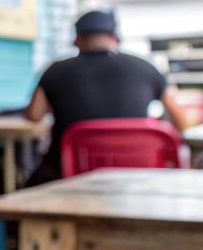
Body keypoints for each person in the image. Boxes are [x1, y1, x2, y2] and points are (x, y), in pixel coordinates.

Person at [22, 10, 192, 184]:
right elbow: (182, 122)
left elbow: (34, 115)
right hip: (139, 176)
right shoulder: (146, 68)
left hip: (70, 178)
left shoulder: (56, 70)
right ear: (114, 38)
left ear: (77, 40)